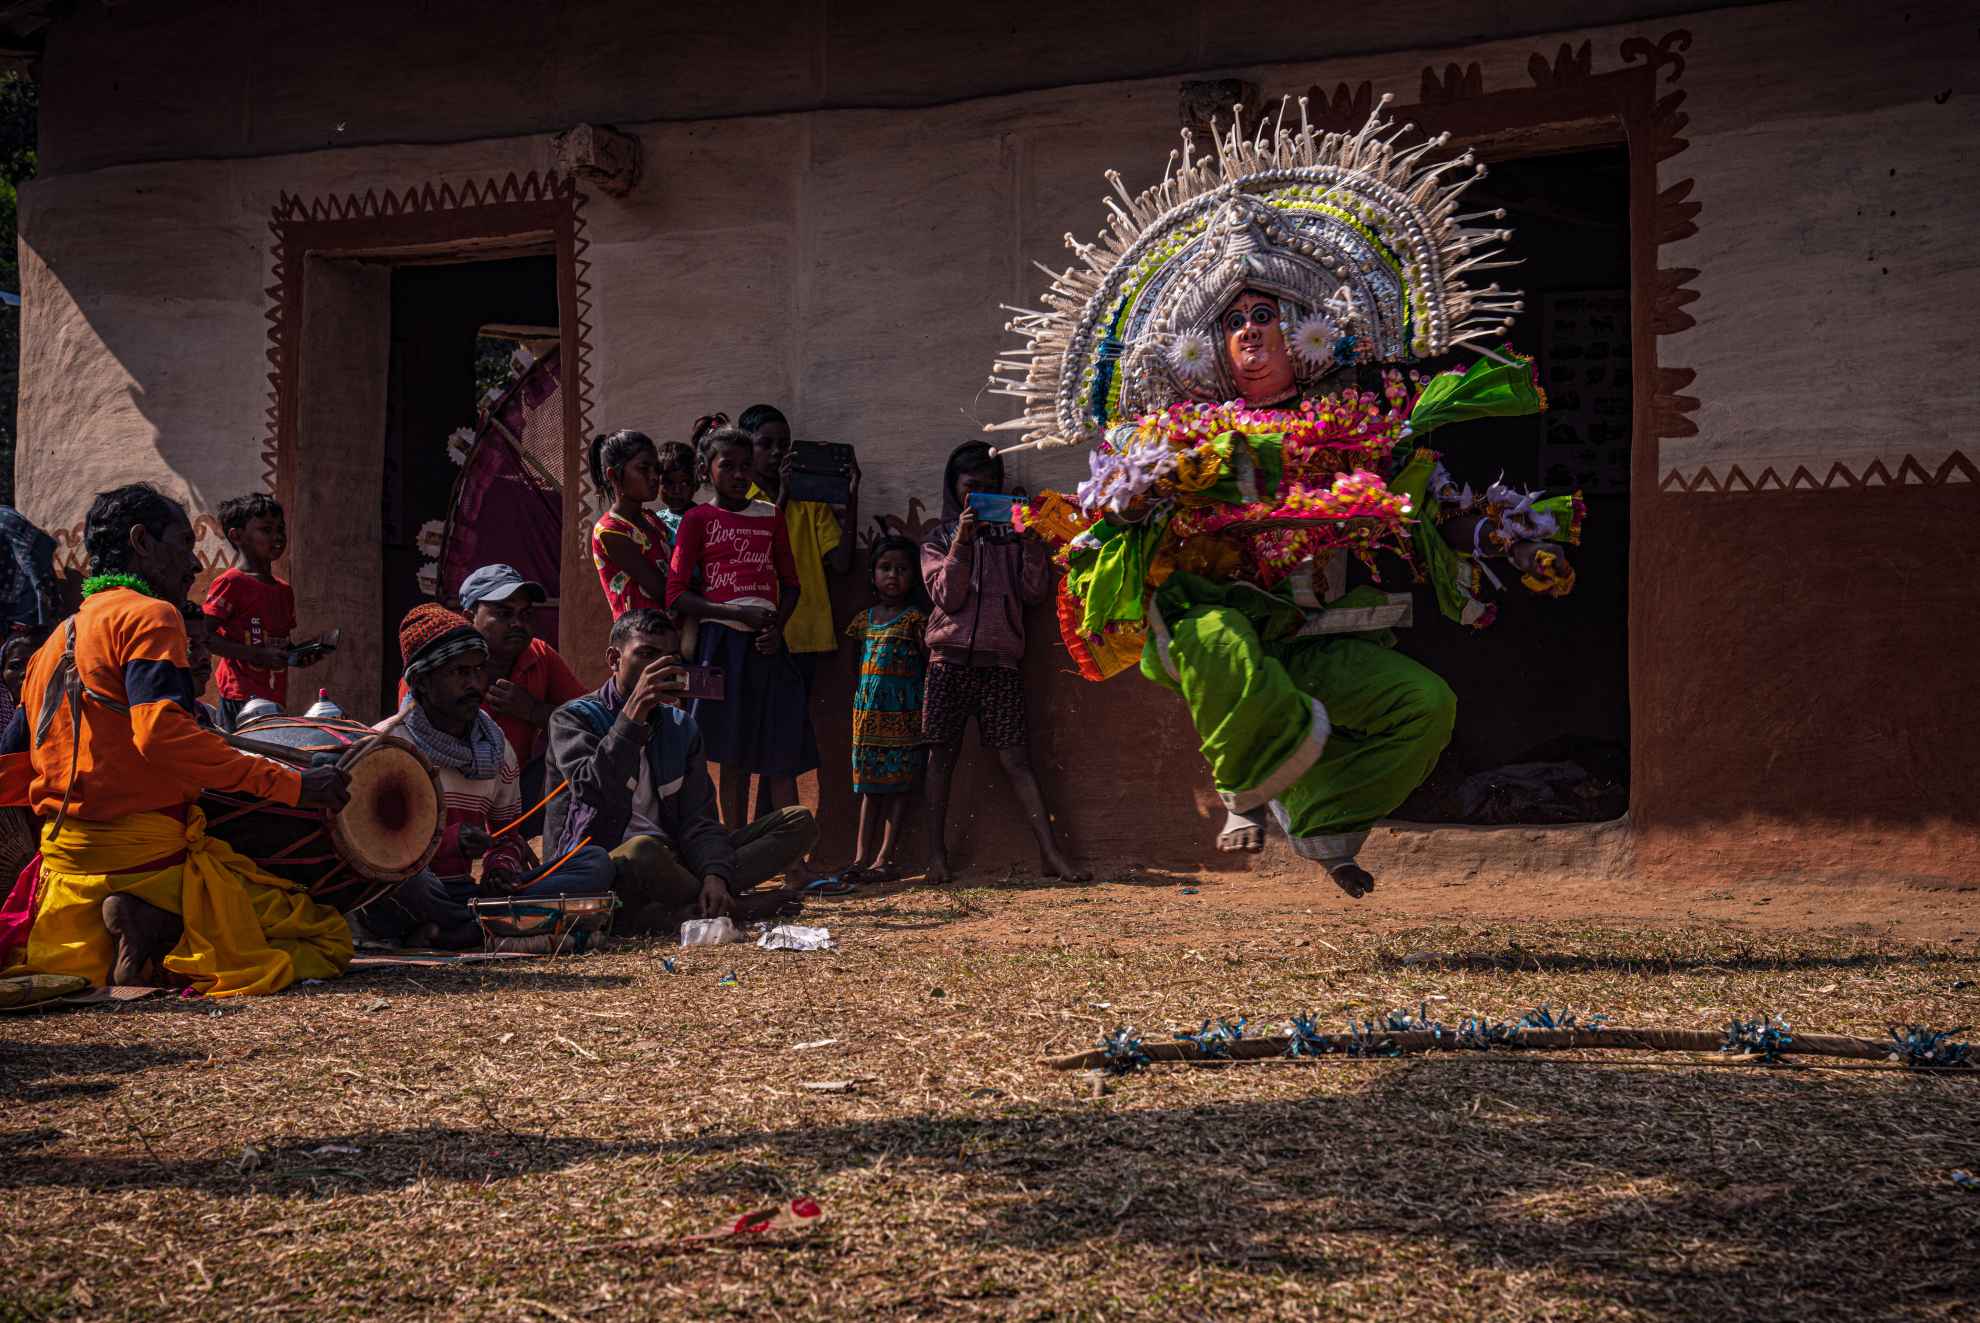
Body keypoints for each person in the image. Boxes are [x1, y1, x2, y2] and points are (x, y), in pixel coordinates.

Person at [984, 103, 1577, 898]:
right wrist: (1135, 501)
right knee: (1222, 638)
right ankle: (1252, 784)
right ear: (1211, 348)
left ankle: (1324, 820)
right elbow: (1110, 497)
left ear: (1303, 329)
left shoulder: (1361, 425)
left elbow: (1437, 505)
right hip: (1218, 625)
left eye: (1266, 315)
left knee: (1425, 706)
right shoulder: (1179, 433)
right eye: (1232, 322)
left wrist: (1511, 534)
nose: (1251, 332)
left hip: (1321, 634)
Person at [1, 484, 353, 992]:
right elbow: (164, 735)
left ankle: (140, 936)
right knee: (326, 939)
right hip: (147, 859)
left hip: (66, 877)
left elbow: (12, 760)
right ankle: (162, 928)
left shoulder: (53, 642)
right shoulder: (150, 615)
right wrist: (294, 785)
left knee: (77, 980)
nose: (192, 563)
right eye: (183, 543)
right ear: (142, 542)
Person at [544, 608, 816, 932]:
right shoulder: (574, 719)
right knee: (643, 850)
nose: (660, 667)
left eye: (670, 657)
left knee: (797, 821)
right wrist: (632, 718)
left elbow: (699, 820)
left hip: (675, 865)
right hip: (604, 869)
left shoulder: (681, 727)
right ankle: (735, 908)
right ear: (614, 660)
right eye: (646, 654)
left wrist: (714, 874)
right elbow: (593, 789)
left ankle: (701, 903)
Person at [359, 604, 615, 949]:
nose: (473, 683)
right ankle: (487, 930)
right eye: (458, 673)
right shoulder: (386, 747)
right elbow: (372, 848)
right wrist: (449, 841)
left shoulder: (495, 747)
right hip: (410, 891)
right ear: (422, 681)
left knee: (594, 864)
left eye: (478, 670)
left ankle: (459, 931)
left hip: (466, 894)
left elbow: (507, 833)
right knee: (407, 884)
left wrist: (500, 869)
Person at [920, 443, 1086, 884]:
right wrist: (962, 540)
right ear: (954, 489)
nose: (979, 497)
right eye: (971, 489)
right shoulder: (938, 537)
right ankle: (935, 857)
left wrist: (1031, 544)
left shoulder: (1012, 538)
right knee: (940, 758)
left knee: (1017, 760)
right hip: (948, 660)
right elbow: (946, 596)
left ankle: (1050, 854)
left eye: (989, 489)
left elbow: (1033, 593)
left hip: (1000, 661)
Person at [666, 426, 817, 836]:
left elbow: (791, 584)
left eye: (745, 466)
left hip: (767, 645)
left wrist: (774, 628)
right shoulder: (698, 520)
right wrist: (732, 612)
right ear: (705, 469)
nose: (738, 475)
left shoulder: (770, 516)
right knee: (731, 755)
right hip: (720, 647)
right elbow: (677, 594)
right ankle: (734, 848)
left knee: (780, 748)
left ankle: (790, 855)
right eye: (727, 466)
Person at [395, 564, 586, 826]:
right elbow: (416, 740)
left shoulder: (540, 656)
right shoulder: (434, 669)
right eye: (504, 613)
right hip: (442, 794)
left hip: (514, 792)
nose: (518, 623)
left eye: (526, 614)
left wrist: (533, 710)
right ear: (469, 615)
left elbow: (590, 720)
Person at [201, 493, 328, 729]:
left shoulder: (283, 590)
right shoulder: (231, 583)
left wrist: (299, 655)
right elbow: (205, 635)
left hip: (273, 698)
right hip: (239, 697)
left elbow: (277, 644)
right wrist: (255, 655)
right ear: (237, 536)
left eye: (281, 529)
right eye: (266, 530)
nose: (278, 537)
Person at [841, 535, 927, 882]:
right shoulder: (863, 620)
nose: (893, 575)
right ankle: (860, 857)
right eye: (885, 568)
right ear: (873, 574)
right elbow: (853, 668)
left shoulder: (915, 620)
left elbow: (927, 663)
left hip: (903, 716)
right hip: (868, 717)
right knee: (869, 788)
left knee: (898, 787)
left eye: (902, 569)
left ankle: (884, 858)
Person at [588, 429, 670, 620]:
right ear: (613, 475)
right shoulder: (610, 531)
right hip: (641, 640)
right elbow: (664, 591)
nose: (654, 477)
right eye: (643, 469)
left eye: (656, 469)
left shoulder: (652, 520)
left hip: (668, 634)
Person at [652, 438, 701, 547]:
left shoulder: (705, 520)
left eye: (684, 483)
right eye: (669, 482)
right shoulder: (654, 521)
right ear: (656, 483)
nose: (677, 490)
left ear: (696, 484)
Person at [179, 601, 221, 728]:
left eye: (206, 644)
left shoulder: (201, 713)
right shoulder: (159, 717)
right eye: (191, 645)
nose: (204, 656)